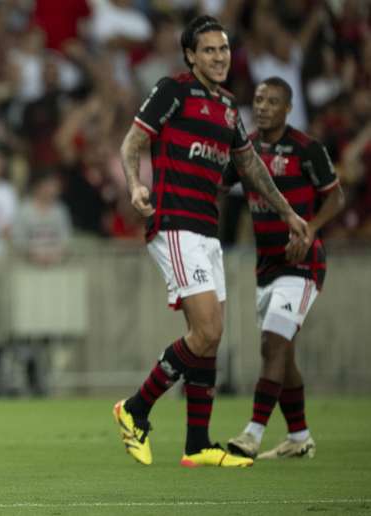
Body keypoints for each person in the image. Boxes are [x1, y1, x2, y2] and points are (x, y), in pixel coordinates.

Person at [113, 15, 310, 468]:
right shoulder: (173, 91)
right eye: (209, 50)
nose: (219, 57)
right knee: (206, 331)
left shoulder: (227, 105)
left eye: (223, 50)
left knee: (209, 340)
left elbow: (251, 167)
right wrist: (135, 185)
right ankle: (135, 408)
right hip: (174, 223)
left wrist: (288, 212)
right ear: (190, 55)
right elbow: (131, 142)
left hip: (207, 229)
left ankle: (197, 444)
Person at [226, 77, 344, 460]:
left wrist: (309, 230)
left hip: (303, 264)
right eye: (258, 99)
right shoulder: (245, 151)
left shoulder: (307, 149)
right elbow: (217, 184)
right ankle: (299, 436)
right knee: (280, 350)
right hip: (267, 266)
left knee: (274, 343)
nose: (262, 107)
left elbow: (336, 197)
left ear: (288, 108)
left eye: (272, 101)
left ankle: (252, 433)